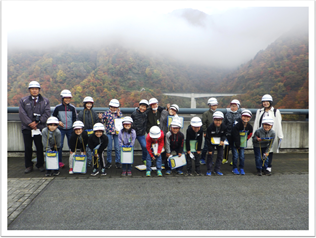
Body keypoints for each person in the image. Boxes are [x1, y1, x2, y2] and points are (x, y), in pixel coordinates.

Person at [19, 81, 51, 173]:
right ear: (29, 90)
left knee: (39, 146)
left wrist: (38, 121)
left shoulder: (45, 101)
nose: (34, 91)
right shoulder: (23, 100)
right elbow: (22, 113)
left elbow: (47, 113)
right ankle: (28, 165)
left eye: (36, 89)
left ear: (39, 90)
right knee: (28, 147)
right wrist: (30, 123)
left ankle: (40, 164)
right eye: (32, 89)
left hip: (39, 128)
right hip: (27, 128)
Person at [253, 94, 284, 174]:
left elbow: (278, 123)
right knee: (260, 151)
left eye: (267, 101)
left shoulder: (275, 111)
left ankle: (268, 167)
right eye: (264, 102)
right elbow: (256, 123)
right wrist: (254, 134)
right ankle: (261, 167)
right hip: (261, 134)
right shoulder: (259, 111)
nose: (265, 103)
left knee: (269, 150)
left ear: (270, 102)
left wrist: (280, 135)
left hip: (271, 134)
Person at [52, 89, 77, 169]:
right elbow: (53, 118)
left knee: (72, 145)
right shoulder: (58, 108)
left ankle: (73, 161)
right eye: (66, 98)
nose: (67, 99)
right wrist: (58, 122)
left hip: (70, 129)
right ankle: (59, 162)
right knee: (59, 145)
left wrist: (74, 128)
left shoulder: (72, 108)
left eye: (69, 98)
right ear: (62, 98)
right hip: (60, 129)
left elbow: (75, 119)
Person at [99, 99, 123, 169]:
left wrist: (119, 115)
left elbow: (122, 122)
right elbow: (102, 122)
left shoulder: (119, 113)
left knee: (117, 148)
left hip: (117, 133)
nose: (113, 109)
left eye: (115, 107)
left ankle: (117, 162)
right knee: (109, 148)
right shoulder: (106, 113)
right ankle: (108, 162)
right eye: (112, 107)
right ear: (110, 106)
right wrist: (101, 118)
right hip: (109, 132)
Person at [77, 96, 100, 168]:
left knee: (95, 146)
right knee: (87, 147)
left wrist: (100, 119)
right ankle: (89, 160)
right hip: (85, 133)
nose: (89, 105)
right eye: (87, 103)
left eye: (90, 104)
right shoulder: (81, 113)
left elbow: (97, 122)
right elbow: (79, 123)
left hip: (93, 132)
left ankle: (96, 159)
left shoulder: (94, 113)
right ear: (85, 104)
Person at [231, 109, 253, 175]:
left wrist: (245, 140)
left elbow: (250, 133)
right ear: (241, 116)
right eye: (244, 116)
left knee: (242, 156)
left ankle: (241, 168)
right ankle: (234, 168)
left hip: (242, 143)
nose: (246, 118)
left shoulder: (249, 126)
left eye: (247, 117)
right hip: (235, 142)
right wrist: (237, 145)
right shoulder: (237, 125)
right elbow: (235, 135)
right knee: (235, 155)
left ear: (250, 118)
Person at [205, 111, 227, 176]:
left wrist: (222, 140)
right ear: (213, 120)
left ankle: (217, 169)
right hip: (211, 142)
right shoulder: (210, 127)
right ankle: (209, 170)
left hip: (219, 142)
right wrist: (209, 149)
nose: (218, 122)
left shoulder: (224, 126)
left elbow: (224, 134)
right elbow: (207, 138)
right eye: (216, 120)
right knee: (210, 155)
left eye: (220, 120)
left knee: (220, 155)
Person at [160, 103, 179, 175]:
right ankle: (163, 161)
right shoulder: (164, 112)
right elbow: (164, 119)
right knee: (164, 148)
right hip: (164, 132)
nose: (172, 111)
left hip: (172, 135)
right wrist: (168, 112)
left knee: (169, 148)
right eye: (172, 109)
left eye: (174, 110)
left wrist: (174, 116)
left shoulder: (176, 117)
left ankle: (170, 163)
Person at [222, 99, 242, 165]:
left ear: (238, 107)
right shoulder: (227, 114)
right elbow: (224, 123)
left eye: (234, 106)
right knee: (227, 146)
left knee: (235, 147)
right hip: (228, 133)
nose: (233, 107)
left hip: (236, 134)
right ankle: (225, 158)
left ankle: (234, 159)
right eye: (232, 106)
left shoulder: (240, 115)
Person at [131, 99, 149, 165]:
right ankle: (129, 159)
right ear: (139, 106)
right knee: (130, 146)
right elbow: (130, 122)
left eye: (144, 107)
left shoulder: (146, 114)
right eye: (142, 106)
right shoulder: (134, 113)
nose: (143, 108)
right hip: (133, 133)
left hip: (141, 134)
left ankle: (144, 158)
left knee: (145, 146)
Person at [201, 97, 218, 165]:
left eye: (215, 105)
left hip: (215, 133)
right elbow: (204, 124)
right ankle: (202, 158)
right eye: (213, 105)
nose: (214, 107)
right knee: (206, 147)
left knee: (212, 147)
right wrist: (204, 132)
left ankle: (210, 159)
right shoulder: (206, 114)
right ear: (209, 105)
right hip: (208, 133)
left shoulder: (217, 113)